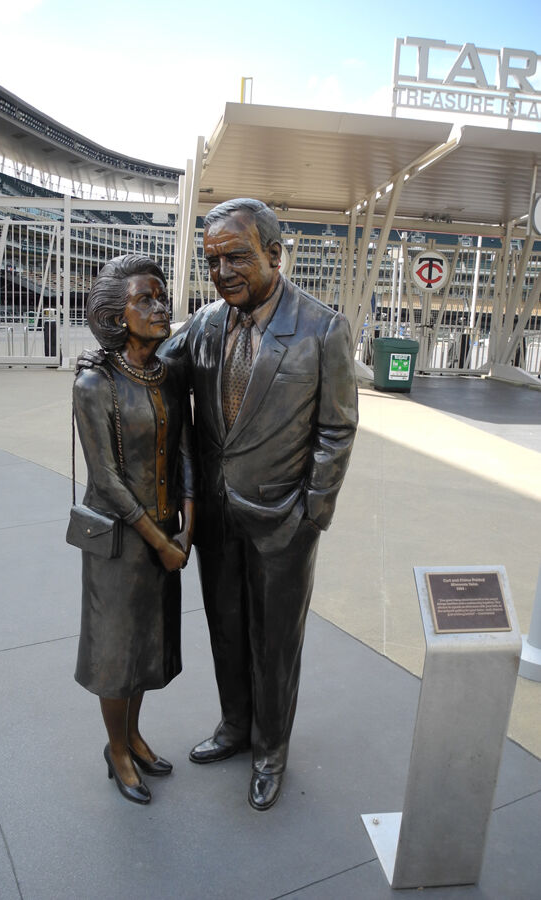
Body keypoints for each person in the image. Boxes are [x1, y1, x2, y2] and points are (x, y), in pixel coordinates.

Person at [161, 198, 358, 811]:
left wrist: (312, 513)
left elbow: (337, 429)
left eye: (237, 257)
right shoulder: (204, 324)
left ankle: (271, 748)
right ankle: (234, 725)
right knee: (225, 627)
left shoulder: (322, 329)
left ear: (275, 254)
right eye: (212, 260)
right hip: (217, 517)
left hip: (285, 521)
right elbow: (149, 371)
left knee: (275, 642)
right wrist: (107, 355)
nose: (222, 273)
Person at [72, 254, 194, 806]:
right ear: (115, 314)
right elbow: (107, 479)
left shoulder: (167, 373)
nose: (159, 306)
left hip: (166, 535)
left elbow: (186, 446)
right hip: (121, 544)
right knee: (116, 653)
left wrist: (189, 519)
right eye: (145, 298)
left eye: (161, 295)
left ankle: (134, 737)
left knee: (147, 645)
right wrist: (162, 542)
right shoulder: (94, 384)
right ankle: (115, 750)